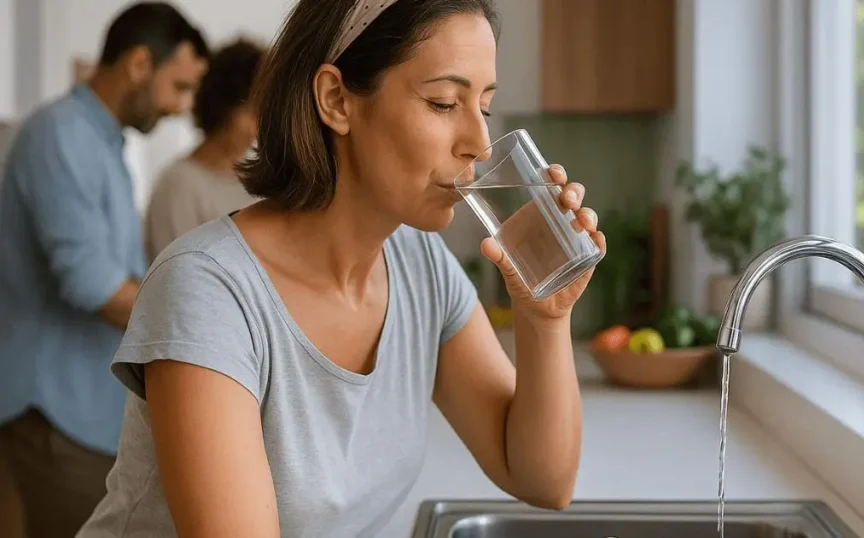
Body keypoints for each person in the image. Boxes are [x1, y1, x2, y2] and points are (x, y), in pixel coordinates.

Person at [76, 0, 605, 536]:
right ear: (337, 100)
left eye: (484, 107)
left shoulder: (420, 266)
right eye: (444, 103)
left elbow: (543, 480)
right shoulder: (207, 290)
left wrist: (544, 319)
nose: (479, 145)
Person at [0, 3, 209, 537]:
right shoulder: (60, 135)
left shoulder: (103, 143)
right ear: (139, 64)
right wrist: (204, 333)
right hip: (54, 413)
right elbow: (92, 284)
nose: (181, 108)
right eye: (179, 87)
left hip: (85, 411)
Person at [145, 38, 265, 261]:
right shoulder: (180, 185)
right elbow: (177, 279)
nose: (257, 129)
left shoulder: (256, 183)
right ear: (223, 107)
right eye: (251, 112)